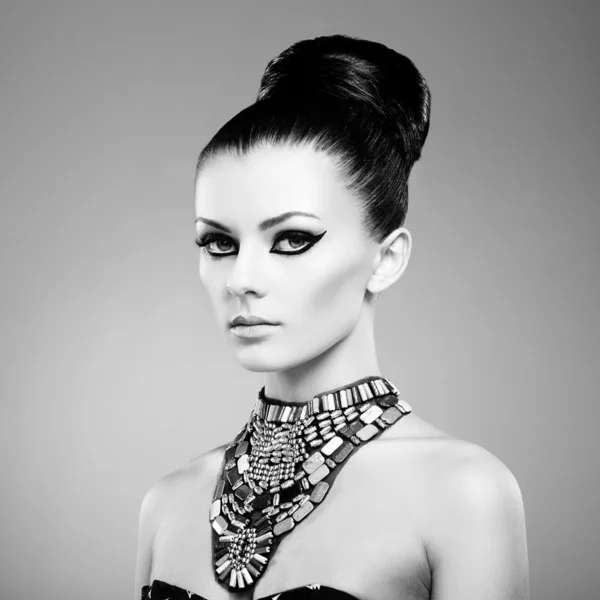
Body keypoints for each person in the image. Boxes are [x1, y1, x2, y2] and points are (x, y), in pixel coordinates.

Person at [133, 34, 529, 600]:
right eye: (218, 243)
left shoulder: (463, 493)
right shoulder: (166, 504)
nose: (242, 278)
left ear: (386, 259)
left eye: (293, 239)